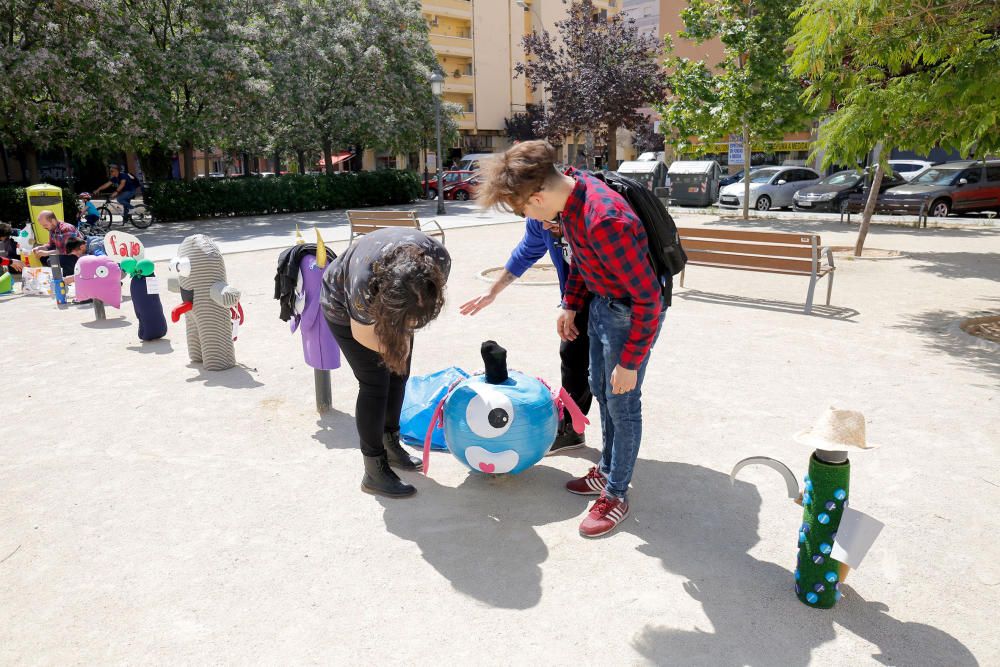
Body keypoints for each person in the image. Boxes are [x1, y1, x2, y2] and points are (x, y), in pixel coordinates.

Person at [476, 140, 665, 539]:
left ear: (539, 195)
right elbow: (582, 260)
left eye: (524, 208)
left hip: (628, 314)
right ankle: (608, 469)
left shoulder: (605, 219)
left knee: (622, 400)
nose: (529, 218)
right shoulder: (570, 199)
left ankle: (615, 493)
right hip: (601, 305)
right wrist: (572, 304)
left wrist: (630, 361)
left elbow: (648, 299)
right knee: (599, 387)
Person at [321, 227, 451, 498]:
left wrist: (404, 338)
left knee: (400, 374)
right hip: (343, 306)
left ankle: (391, 442)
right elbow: (362, 333)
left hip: (397, 303)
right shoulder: (363, 285)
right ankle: (373, 470)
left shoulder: (439, 259)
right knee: (375, 382)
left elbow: (416, 308)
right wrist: (394, 350)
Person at [460, 216, 592, 454]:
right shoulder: (538, 217)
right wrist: (492, 292)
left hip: (612, 301)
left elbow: (593, 263)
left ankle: (615, 466)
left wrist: (571, 305)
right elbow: (524, 254)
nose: (541, 225)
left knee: (610, 377)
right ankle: (572, 429)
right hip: (574, 299)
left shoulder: (583, 212)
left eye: (549, 220)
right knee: (572, 356)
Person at [31, 210, 83, 277]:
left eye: (45, 225)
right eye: (42, 225)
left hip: (75, 255)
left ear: (53, 221)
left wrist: (46, 253)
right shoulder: (52, 229)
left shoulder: (66, 229)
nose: (44, 227)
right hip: (64, 253)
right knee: (43, 257)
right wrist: (40, 248)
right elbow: (51, 245)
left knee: (52, 260)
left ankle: (70, 273)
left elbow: (68, 250)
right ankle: (58, 272)